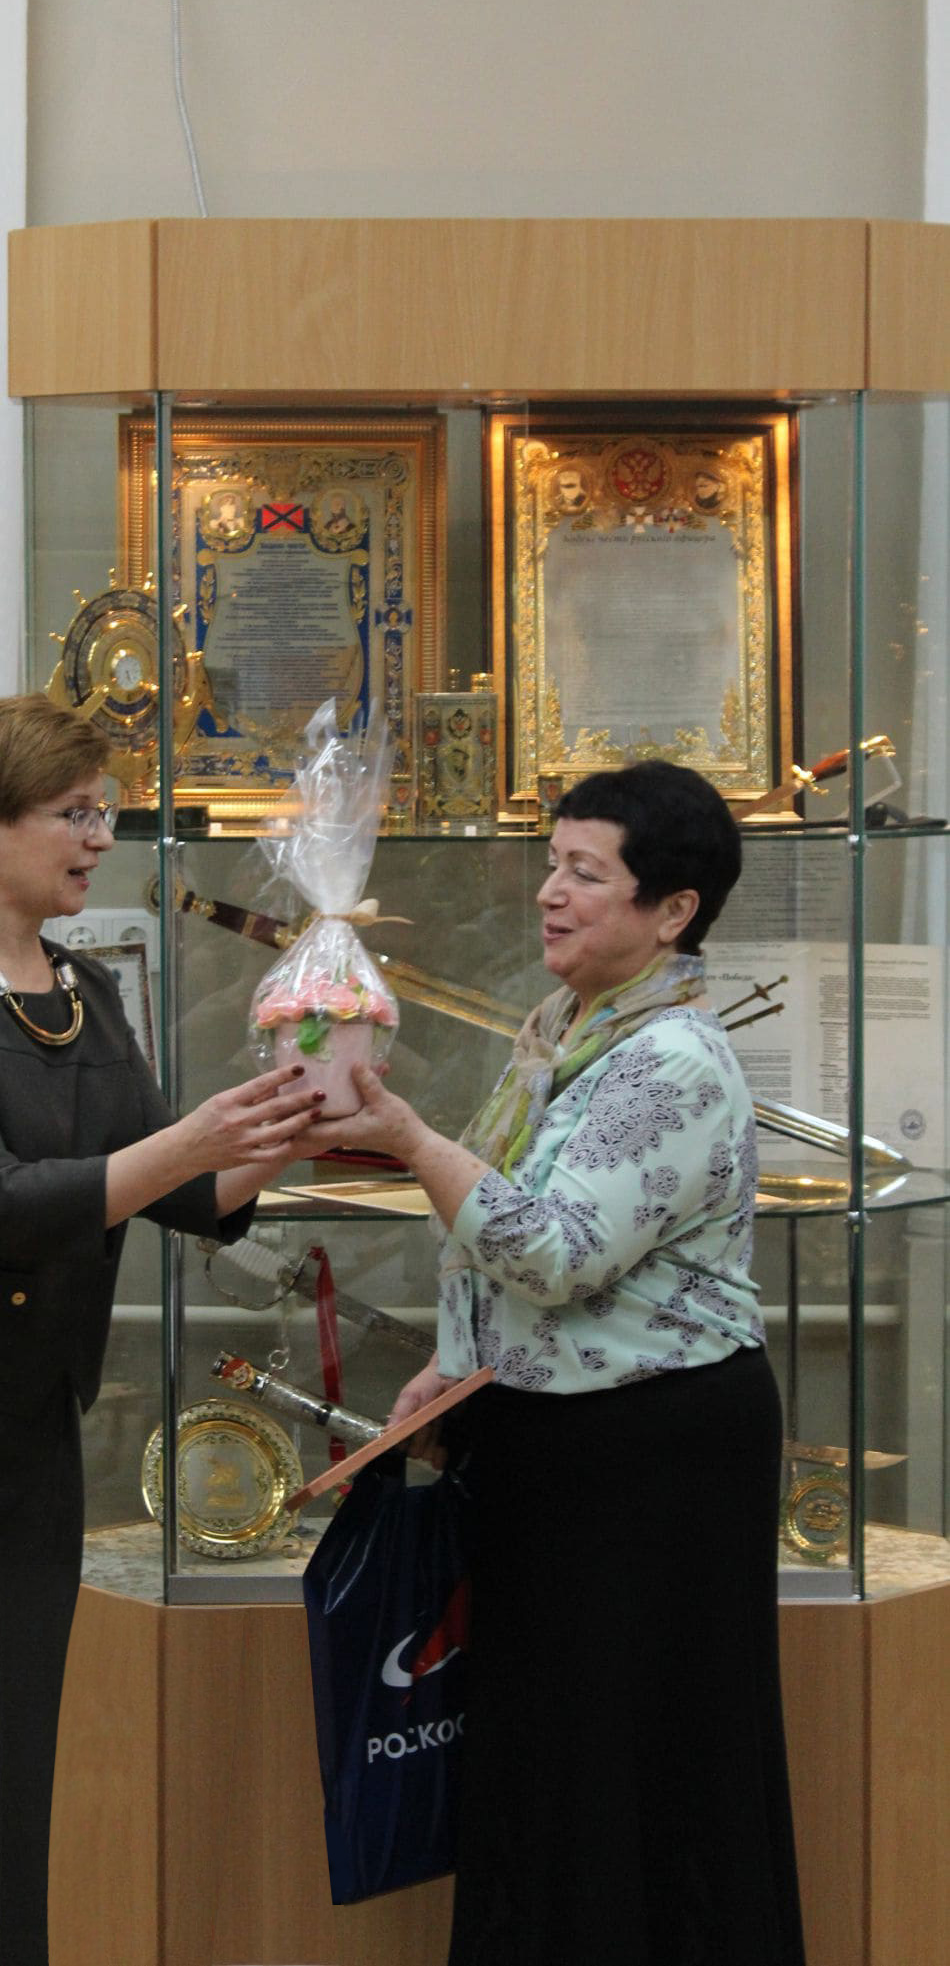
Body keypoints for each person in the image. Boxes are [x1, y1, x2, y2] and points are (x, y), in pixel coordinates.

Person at [0, 694, 324, 1966]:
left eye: (105, 810)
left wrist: (296, 1115)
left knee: (5, 1756)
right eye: (73, 812)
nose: (99, 837)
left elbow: (179, 1193)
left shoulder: (81, 988)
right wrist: (190, 1139)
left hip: (21, 1427)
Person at [321, 759, 806, 1966]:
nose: (548, 894)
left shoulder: (670, 1059)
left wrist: (406, 1137)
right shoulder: (567, 1027)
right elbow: (500, 1224)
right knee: (549, 1761)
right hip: (558, 1440)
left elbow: (551, 1251)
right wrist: (456, 1361)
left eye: (585, 874)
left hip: (651, 1455)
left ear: (672, 909)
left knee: (632, 1765)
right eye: (551, 865)